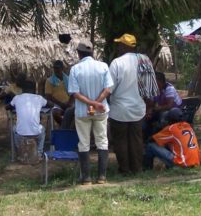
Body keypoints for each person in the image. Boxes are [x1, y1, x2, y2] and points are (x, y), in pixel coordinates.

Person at [108, 33, 158, 175]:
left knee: (121, 140)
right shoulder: (145, 60)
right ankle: (136, 169)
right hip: (138, 109)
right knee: (136, 139)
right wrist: (149, 105)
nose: (118, 47)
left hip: (119, 109)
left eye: (119, 44)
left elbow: (109, 88)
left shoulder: (117, 63)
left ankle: (124, 169)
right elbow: (150, 86)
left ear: (124, 46)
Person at [68, 40, 114, 184]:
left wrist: (91, 104)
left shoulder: (75, 69)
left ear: (79, 53)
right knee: (102, 141)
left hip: (83, 112)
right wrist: (97, 102)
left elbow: (75, 93)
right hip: (100, 111)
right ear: (92, 52)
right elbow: (108, 89)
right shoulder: (103, 66)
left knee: (84, 143)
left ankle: (86, 178)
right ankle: (101, 177)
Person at [8, 80, 52, 159]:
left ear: (22, 89)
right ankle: (39, 153)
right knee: (43, 129)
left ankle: (19, 152)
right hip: (36, 133)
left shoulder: (17, 98)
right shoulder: (39, 98)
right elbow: (51, 105)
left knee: (14, 128)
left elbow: (7, 107)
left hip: (20, 134)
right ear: (35, 89)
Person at [144, 71, 183, 138]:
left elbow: (169, 106)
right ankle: (148, 136)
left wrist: (154, 109)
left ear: (161, 82)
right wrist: (148, 110)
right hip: (162, 110)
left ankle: (160, 135)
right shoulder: (155, 90)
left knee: (163, 116)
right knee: (147, 117)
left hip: (174, 112)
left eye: (155, 83)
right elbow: (151, 103)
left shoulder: (169, 88)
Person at [44, 60, 74, 128]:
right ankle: (64, 127)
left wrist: (69, 103)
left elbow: (73, 93)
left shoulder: (68, 79)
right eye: (55, 68)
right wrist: (61, 104)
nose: (56, 70)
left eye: (58, 68)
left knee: (76, 114)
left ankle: (67, 128)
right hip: (56, 104)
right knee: (56, 114)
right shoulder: (49, 81)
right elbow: (48, 96)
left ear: (62, 68)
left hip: (68, 103)